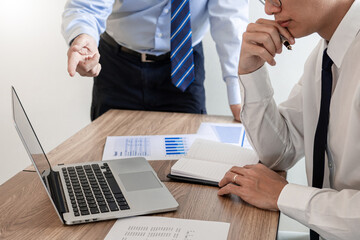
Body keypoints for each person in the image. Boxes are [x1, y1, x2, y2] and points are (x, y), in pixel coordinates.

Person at [217, 0, 360, 239]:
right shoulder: (325, 54)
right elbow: (280, 152)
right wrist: (250, 70)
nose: (269, 10)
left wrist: (283, 195)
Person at [61, 0, 248, 121]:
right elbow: (86, 6)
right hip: (119, 65)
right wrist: (84, 38)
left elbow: (230, 20)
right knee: (109, 160)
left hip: (183, 65)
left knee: (189, 159)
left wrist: (238, 90)